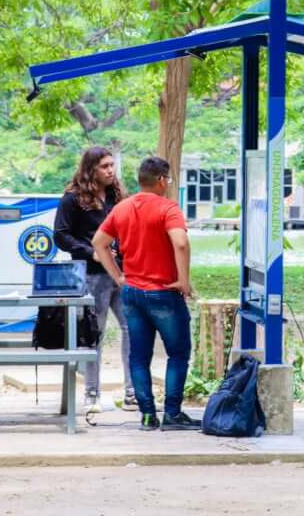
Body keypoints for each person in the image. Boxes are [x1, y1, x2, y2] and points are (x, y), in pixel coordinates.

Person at [93, 156, 199, 431]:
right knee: (177, 354)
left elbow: (98, 244)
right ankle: (173, 414)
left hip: (132, 293)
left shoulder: (121, 208)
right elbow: (181, 242)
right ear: (162, 180)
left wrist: (118, 277)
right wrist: (183, 281)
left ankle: (148, 416)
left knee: (139, 357)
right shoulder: (168, 208)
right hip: (164, 292)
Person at [53, 146, 136, 414]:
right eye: (105, 166)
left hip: (122, 272)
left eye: (112, 165)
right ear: (91, 169)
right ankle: (91, 393)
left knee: (131, 328)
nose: (111, 170)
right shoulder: (72, 199)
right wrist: (92, 253)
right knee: (94, 334)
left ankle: (133, 392)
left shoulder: (119, 195)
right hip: (91, 274)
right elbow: (61, 236)